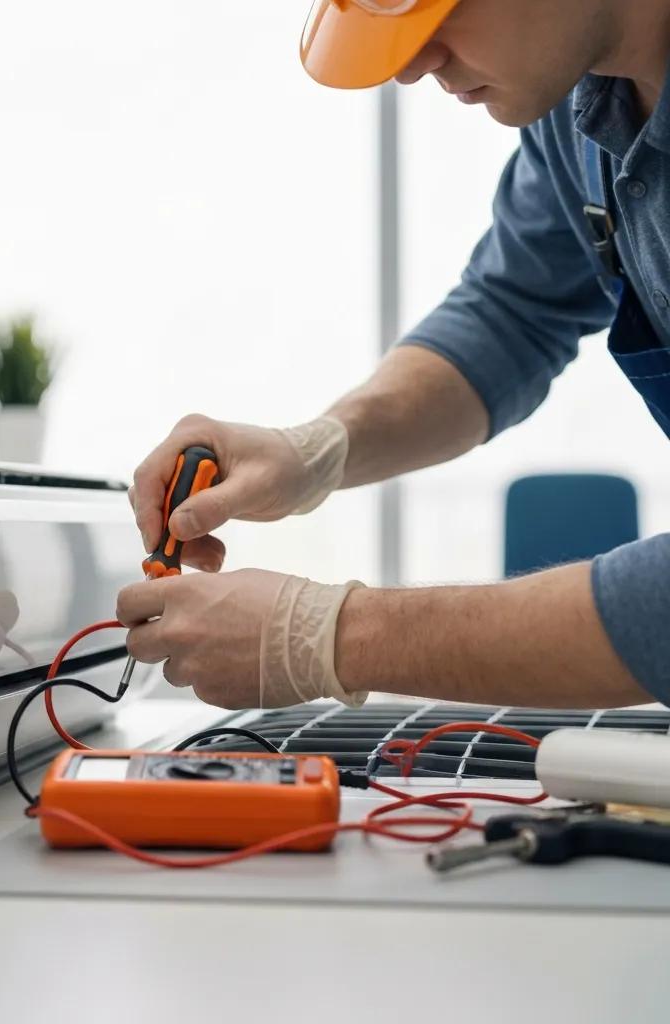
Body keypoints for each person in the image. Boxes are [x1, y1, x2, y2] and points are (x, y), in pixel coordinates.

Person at [116, 0, 670, 712]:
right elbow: (513, 315)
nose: (409, 64)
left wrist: (336, 637)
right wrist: (317, 449)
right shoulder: (573, 112)